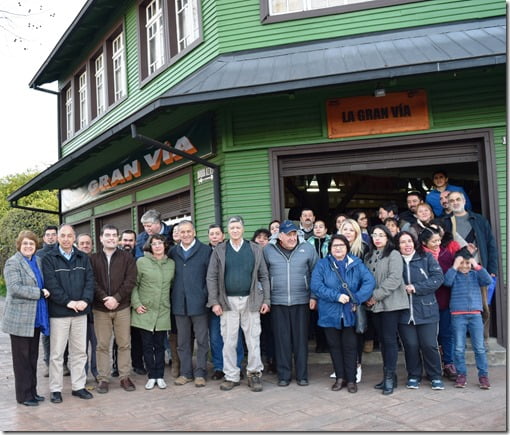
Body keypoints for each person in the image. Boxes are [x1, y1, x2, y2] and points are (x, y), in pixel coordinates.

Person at [207, 215, 270, 392]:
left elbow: (264, 275)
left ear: (243, 229)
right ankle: (231, 375)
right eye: (232, 227)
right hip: (227, 302)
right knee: (228, 341)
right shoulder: (219, 250)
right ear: (228, 230)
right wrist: (214, 302)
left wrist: (266, 299)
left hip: (251, 301)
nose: (235, 230)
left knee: (253, 340)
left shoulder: (254, 249)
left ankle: (254, 373)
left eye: (238, 227)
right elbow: (211, 277)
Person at [310, 234, 375, 393]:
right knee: (334, 346)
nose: (338, 248)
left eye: (341, 245)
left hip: (350, 313)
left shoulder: (356, 263)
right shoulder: (322, 264)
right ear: (330, 249)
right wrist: (336, 296)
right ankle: (340, 377)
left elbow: (369, 282)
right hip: (329, 313)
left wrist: (357, 299)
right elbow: (316, 285)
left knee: (350, 347)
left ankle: (351, 379)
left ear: (347, 247)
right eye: (334, 246)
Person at [42, 224, 95, 403]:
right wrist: (68, 302)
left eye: (69, 236)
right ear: (57, 238)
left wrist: (85, 300)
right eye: (62, 235)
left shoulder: (83, 257)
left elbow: (90, 281)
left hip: (81, 312)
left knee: (80, 351)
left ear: (74, 238)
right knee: (57, 353)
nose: (66, 239)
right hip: (59, 313)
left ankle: (78, 387)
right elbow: (51, 284)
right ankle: (55, 389)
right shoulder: (49, 258)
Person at [263, 220, 318, 387]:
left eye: (294, 234)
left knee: (301, 340)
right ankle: (284, 375)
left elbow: (316, 273)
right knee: (282, 340)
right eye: (288, 235)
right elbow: (263, 276)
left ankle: (302, 375)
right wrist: (267, 299)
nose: (292, 238)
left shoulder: (307, 248)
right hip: (278, 301)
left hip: (301, 301)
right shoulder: (268, 250)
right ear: (280, 236)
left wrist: (314, 296)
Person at [2, 230, 50, 406]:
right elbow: (14, 288)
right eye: (25, 244)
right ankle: (23, 395)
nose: (29, 246)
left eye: (31, 243)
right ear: (19, 245)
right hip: (19, 319)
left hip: (36, 317)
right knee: (21, 359)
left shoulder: (36, 260)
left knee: (32, 357)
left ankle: (33, 391)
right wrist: (38, 293)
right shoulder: (12, 262)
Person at [443, 191, 499, 342]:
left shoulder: (479, 220)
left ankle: (483, 340)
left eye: (458, 199)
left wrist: (492, 269)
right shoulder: (445, 222)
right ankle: (457, 341)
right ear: (448, 203)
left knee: (483, 306)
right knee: (455, 307)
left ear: (464, 201)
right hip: (457, 271)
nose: (455, 202)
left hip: (477, 268)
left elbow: (491, 245)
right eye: (452, 200)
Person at [90, 225, 137, 394]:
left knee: (124, 344)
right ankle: (103, 379)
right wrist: (105, 298)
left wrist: (116, 298)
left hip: (122, 307)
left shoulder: (127, 258)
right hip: (100, 308)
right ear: (101, 238)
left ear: (117, 239)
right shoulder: (92, 259)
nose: (111, 238)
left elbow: (130, 280)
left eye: (114, 235)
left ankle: (124, 376)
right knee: (102, 345)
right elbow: (91, 281)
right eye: (107, 235)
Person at [395, 231, 444, 390]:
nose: (407, 245)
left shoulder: (426, 258)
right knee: (410, 345)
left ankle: (435, 375)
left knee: (429, 344)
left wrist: (416, 288)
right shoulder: (395, 261)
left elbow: (437, 279)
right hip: (404, 311)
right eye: (403, 242)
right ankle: (414, 375)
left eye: (409, 241)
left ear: (415, 242)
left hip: (426, 309)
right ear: (398, 245)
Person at [364, 225, 408, 395]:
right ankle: (390, 376)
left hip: (391, 303)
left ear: (388, 237)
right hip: (375, 306)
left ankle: (389, 377)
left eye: (381, 235)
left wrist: (375, 295)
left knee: (389, 340)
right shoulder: (369, 256)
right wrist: (368, 297)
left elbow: (395, 278)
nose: (377, 238)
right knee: (382, 340)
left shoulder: (394, 254)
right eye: (374, 235)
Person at [169, 220, 211, 388]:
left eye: (188, 231)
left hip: (199, 303)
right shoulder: (173, 252)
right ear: (178, 234)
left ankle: (200, 372)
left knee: (201, 340)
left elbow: (210, 277)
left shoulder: (205, 251)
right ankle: (186, 373)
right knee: (183, 342)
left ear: (194, 232)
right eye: (182, 232)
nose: (185, 235)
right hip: (179, 304)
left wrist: (205, 295)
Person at [444, 248, 493, 389]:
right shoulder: (453, 274)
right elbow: (446, 282)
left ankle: (483, 376)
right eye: (461, 263)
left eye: (467, 263)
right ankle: (461, 375)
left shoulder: (475, 274)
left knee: (479, 347)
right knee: (459, 348)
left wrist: (476, 265)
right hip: (458, 315)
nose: (464, 266)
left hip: (475, 315)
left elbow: (488, 280)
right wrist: (454, 266)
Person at [131, 234, 174, 390]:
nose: (157, 246)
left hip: (163, 310)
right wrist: (136, 304)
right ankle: (151, 376)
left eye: (160, 243)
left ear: (165, 245)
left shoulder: (171, 264)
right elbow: (134, 285)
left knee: (160, 345)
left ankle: (160, 375)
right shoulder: (141, 262)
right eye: (154, 243)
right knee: (147, 345)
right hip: (145, 310)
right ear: (150, 246)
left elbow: (173, 286)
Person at [419, 226, 459, 381]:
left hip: (444, 300)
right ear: (424, 242)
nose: (437, 243)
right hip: (425, 302)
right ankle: (433, 367)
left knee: (446, 334)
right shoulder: (419, 256)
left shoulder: (445, 254)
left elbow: (451, 276)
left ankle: (449, 363)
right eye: (433, 241)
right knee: (429, 338)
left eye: (439, 240)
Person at [208, 224, 245, 381]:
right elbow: (209, 277)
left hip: (230, 301)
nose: (215, 236)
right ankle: (219, 367)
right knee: (216, 336)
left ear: (223, 235)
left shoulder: (229, 250)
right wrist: (213, 300)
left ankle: (237, 365)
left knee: (235, 336)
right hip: (213, 301)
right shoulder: (205, 252)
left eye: (217, 233)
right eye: (212, 234)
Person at [338, 218, 371, 380]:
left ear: (357, 232)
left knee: (356, 333)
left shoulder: (363, 249)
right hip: (339, 300)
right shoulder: (335, 248)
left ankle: (357, 366)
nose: (348, 233)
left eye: (351, 230)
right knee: (341, 332)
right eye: (345, 229)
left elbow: (366, 277)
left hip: (356, 299)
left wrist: (357, 299)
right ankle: (343, 367)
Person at [115, 229, 147, 377]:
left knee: (137, 336)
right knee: (119, 337)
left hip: (136, 302)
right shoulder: (115, 257)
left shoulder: (140, 258)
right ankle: (116, 366)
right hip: (119, 302)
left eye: (130, 240)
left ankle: (138, 364)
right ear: (121, 241)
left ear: (135, 242)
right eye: (125, 240)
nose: (127, 243)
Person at [251, 228, 276, 374]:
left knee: (270, 331)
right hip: (254, 298)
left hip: (270, 297)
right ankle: (257, 361)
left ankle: (272, 360)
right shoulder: (250, 253)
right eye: (259, 237)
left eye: (265, 238)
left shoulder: (273, 254)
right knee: (255, 333)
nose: (262, 240)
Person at [36, 225, 58, 378]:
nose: (50, 237)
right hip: (46, 298)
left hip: (62, 298)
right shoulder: (38, 255)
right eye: (48, 235)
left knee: (64, 333)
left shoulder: (63, 252)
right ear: (44, 238)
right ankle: (48, 364)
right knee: (47, 333)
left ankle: (62, 364)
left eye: (53, 234)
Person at [76, 233, 99, 385]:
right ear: (77, 245)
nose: (85, 246)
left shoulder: (97, 261)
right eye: (82, 243)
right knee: (80, 347)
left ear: (92, 245)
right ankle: (82, 374)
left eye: (88, 243)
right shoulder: (74, 261)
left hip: (96, 310)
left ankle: (96, 372)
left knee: (97, 344)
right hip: (80, 310)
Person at [307, 219, 331, 353]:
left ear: (326, 229)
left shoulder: (331, 241)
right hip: (314, 280)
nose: (318, 229)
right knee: (316, 314)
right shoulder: (307, 243)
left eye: (321, 227)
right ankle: (319, 343)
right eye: (315, 227)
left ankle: (328, 343)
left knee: (327, 312)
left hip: (328, 281)